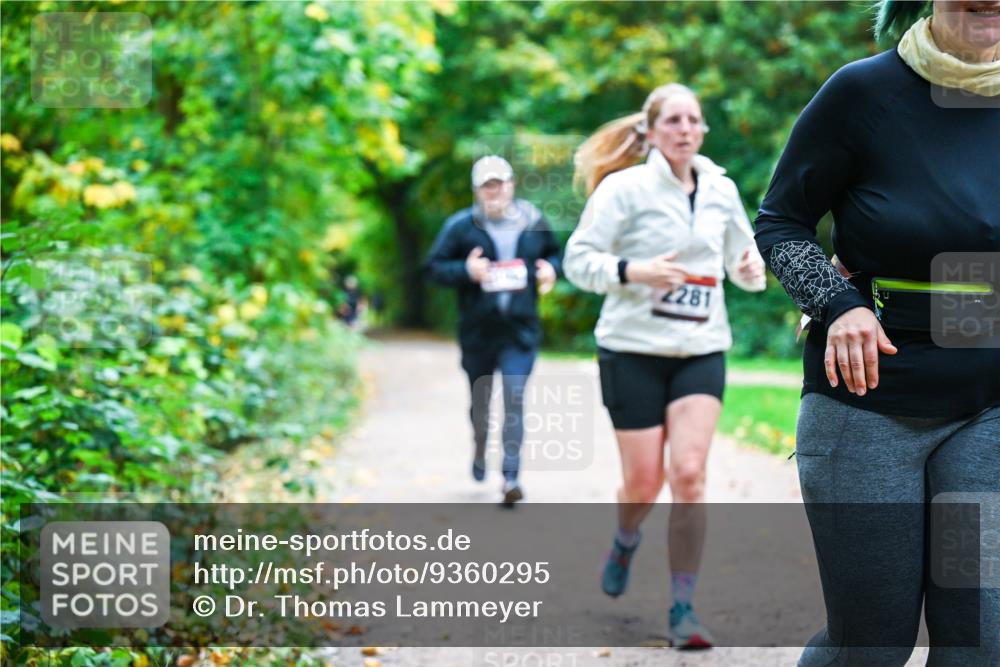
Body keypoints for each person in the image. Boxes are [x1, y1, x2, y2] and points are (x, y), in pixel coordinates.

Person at [754, 1, 999, 664]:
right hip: (869, 394)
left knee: (981, 640)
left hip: (989, 405)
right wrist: (838, 305)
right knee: (871, 642)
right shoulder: (863, 92)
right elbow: (780, 221)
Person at [563, 83, 766, 648]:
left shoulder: (722, 189)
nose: (684, 129)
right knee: (645, 481)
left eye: (693, 120)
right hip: (632, 350)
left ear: (702, 130)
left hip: (701, 347)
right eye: (672, 120)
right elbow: (578, 261)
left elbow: (745, 269)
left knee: (691, 474)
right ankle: (626, 537)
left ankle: (682, 608)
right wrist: (634, 271)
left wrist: (750, 269)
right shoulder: (623, 189)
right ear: (650, 132)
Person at [424, 155, 562, 506]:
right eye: (487, 185)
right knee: (481, 402)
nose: (494, 191)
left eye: (499, 183)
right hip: (478, 332)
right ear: (476, 190)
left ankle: (511, 476)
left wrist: (551, 270)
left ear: (511, 185)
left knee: (515, 398)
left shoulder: (533, 221)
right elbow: (433, 268)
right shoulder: (460, 227)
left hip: (519, 330)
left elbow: (557, 255)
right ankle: (480, 445)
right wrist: (466, 271)